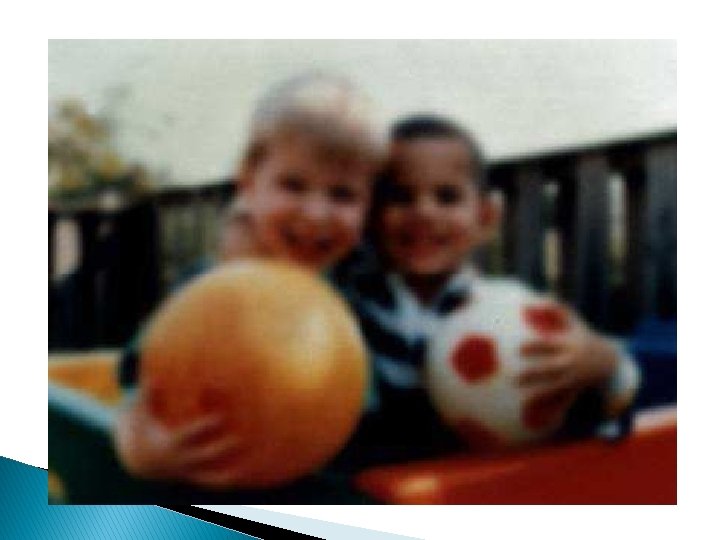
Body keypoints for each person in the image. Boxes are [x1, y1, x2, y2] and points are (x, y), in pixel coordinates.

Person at [114, 73, 385, 487]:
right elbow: (137, 392)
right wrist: (142, 453)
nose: (315, 213)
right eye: (293, 185)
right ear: (248, 182)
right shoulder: (207, 292)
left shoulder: (358, 296)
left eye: (342, 195)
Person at [335, 114, 640, 466]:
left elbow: (614, 407)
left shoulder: (514, 315)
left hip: (479, 482)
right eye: (401, 197)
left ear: (486, 218)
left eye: (447, 197)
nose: (424, 212)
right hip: (376, 484)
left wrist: (604, 365)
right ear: (371, 216)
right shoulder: (350, 306)